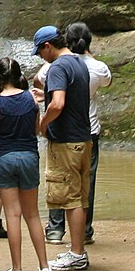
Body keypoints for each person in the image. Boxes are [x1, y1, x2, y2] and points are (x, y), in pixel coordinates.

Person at [0, 54, 52, 271]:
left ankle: (17, 270)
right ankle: (44, 268)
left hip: (3, 158)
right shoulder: (31, 99)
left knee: (12, 214)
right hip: (29, 157)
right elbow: (36, 130)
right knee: (33, 214)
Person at [33, 25, 93, 271]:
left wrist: (42, 124)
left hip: (66, 142)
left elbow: (58, 104)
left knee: (70, 199)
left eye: (39, 52)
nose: (40, 57)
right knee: (79, 196)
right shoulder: (80, 62)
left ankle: (77, 253)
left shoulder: (57, 67)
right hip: (83, 139)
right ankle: (77, 250)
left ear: (48, 46)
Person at [45, 21, 110, 246]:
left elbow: (40, 82)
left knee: (58, 180)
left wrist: (42, 124)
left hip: (63, 132)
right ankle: (84, 232)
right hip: (88, 130)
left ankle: (55, 230)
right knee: (85, 184)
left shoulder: (57, 65)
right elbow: (108, 82)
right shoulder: (96, 67)